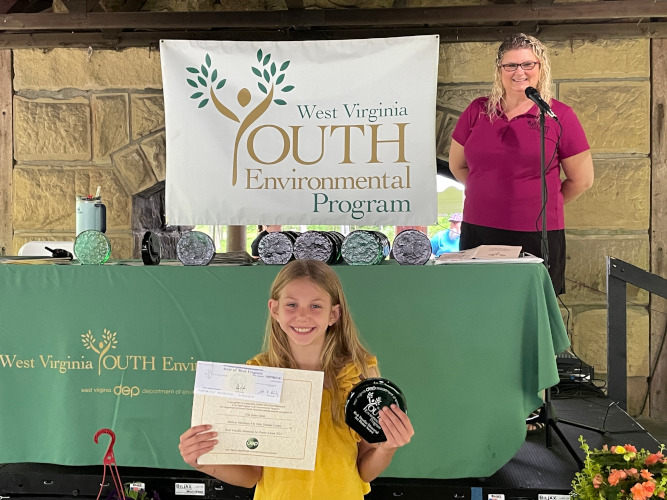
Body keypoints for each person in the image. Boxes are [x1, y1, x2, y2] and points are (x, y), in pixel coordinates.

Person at [448, 33, 594, 434]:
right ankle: (485, 393)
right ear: (499, 70)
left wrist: (541, 206)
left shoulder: (558, 115)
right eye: (511, 65)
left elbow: (580, 179)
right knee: (481, 314)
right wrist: (487, 196)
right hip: (479, 229)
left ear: (540, 67)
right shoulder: (478, 111)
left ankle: (532, 403)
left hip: (536, 234)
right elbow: (460, 167)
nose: (519, 71)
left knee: (531, 321)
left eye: (527, 64)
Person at [178, 260, 414, 499]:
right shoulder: (257, 374)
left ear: (334, 314)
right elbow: (252, 475)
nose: (302, 316)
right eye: (292, 304)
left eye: (315, 306)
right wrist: (203, 461)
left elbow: (364, 471)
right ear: (274, 310)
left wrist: (387, 447)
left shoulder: (359, 374)